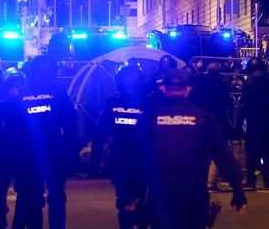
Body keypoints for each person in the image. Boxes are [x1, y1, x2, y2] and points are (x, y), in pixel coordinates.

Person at [146, 69, 247, 229]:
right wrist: (237, 187)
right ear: (188, 89)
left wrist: (131, 194)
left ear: (163, 88)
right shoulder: (203, 117)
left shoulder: (151, 117)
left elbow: (136, 156)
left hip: (160, 191)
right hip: (193, 191)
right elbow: (222, 153)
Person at [0, 55, 77, 229]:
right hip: (54, 151)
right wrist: (71, 152)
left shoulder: (22, 92)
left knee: (30, 196)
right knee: (56, 196)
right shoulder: (58, 92)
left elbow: (8, 123)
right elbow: (71, 123)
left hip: (27, 153)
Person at [94, 63, 149, 229]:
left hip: (120, 160)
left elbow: (100, 133)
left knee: (125, 200)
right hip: (144, 161)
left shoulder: (112, 103)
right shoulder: (149, 103)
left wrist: (95, 160)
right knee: (143, 198)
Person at [0, 68, 27, 229]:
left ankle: (2, 220)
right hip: (16, 152)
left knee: (0, 188)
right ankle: (11, 222)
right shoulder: (22, 105)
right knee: (17, 189)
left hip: (6, 151)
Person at [189, 61, 235, 191]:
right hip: (217, 120)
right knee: (217, 151)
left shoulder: (201, 83)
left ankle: (200, 180)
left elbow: (193, 99)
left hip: (201, 119)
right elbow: (226, 103)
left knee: (201, 151)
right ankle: (211, 181)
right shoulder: (222, 85)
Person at [240, 57, 269, 189]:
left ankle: (251, 179)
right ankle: (267, 180)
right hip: (268, 122)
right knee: (268, 152)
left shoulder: (249, 84)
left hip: (253, 121)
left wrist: (239, 123)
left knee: (251, 152)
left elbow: (244, 104)